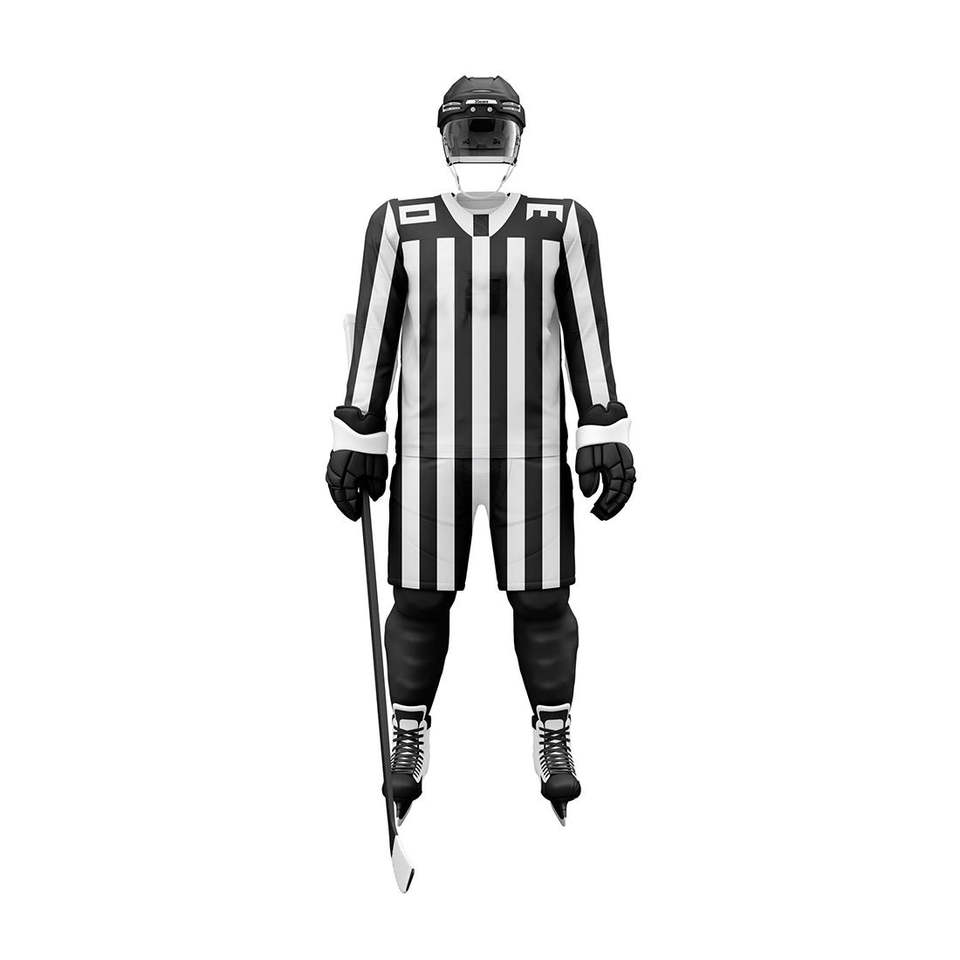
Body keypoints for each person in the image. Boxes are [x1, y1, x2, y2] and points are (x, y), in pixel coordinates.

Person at [327, 76, 635, 824]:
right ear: (445, 137)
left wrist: (601, 421)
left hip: (531, 451)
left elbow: (587, 324)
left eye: (492, 130)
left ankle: (553, 732)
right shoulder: (400, 224)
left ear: (517, 137)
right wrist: (360, 427)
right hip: (429, 451)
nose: (481, 142)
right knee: (419, 600)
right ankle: (408, 733)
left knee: (543, 600)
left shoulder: (561, 224)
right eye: (470, 130)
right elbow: (376, 328)